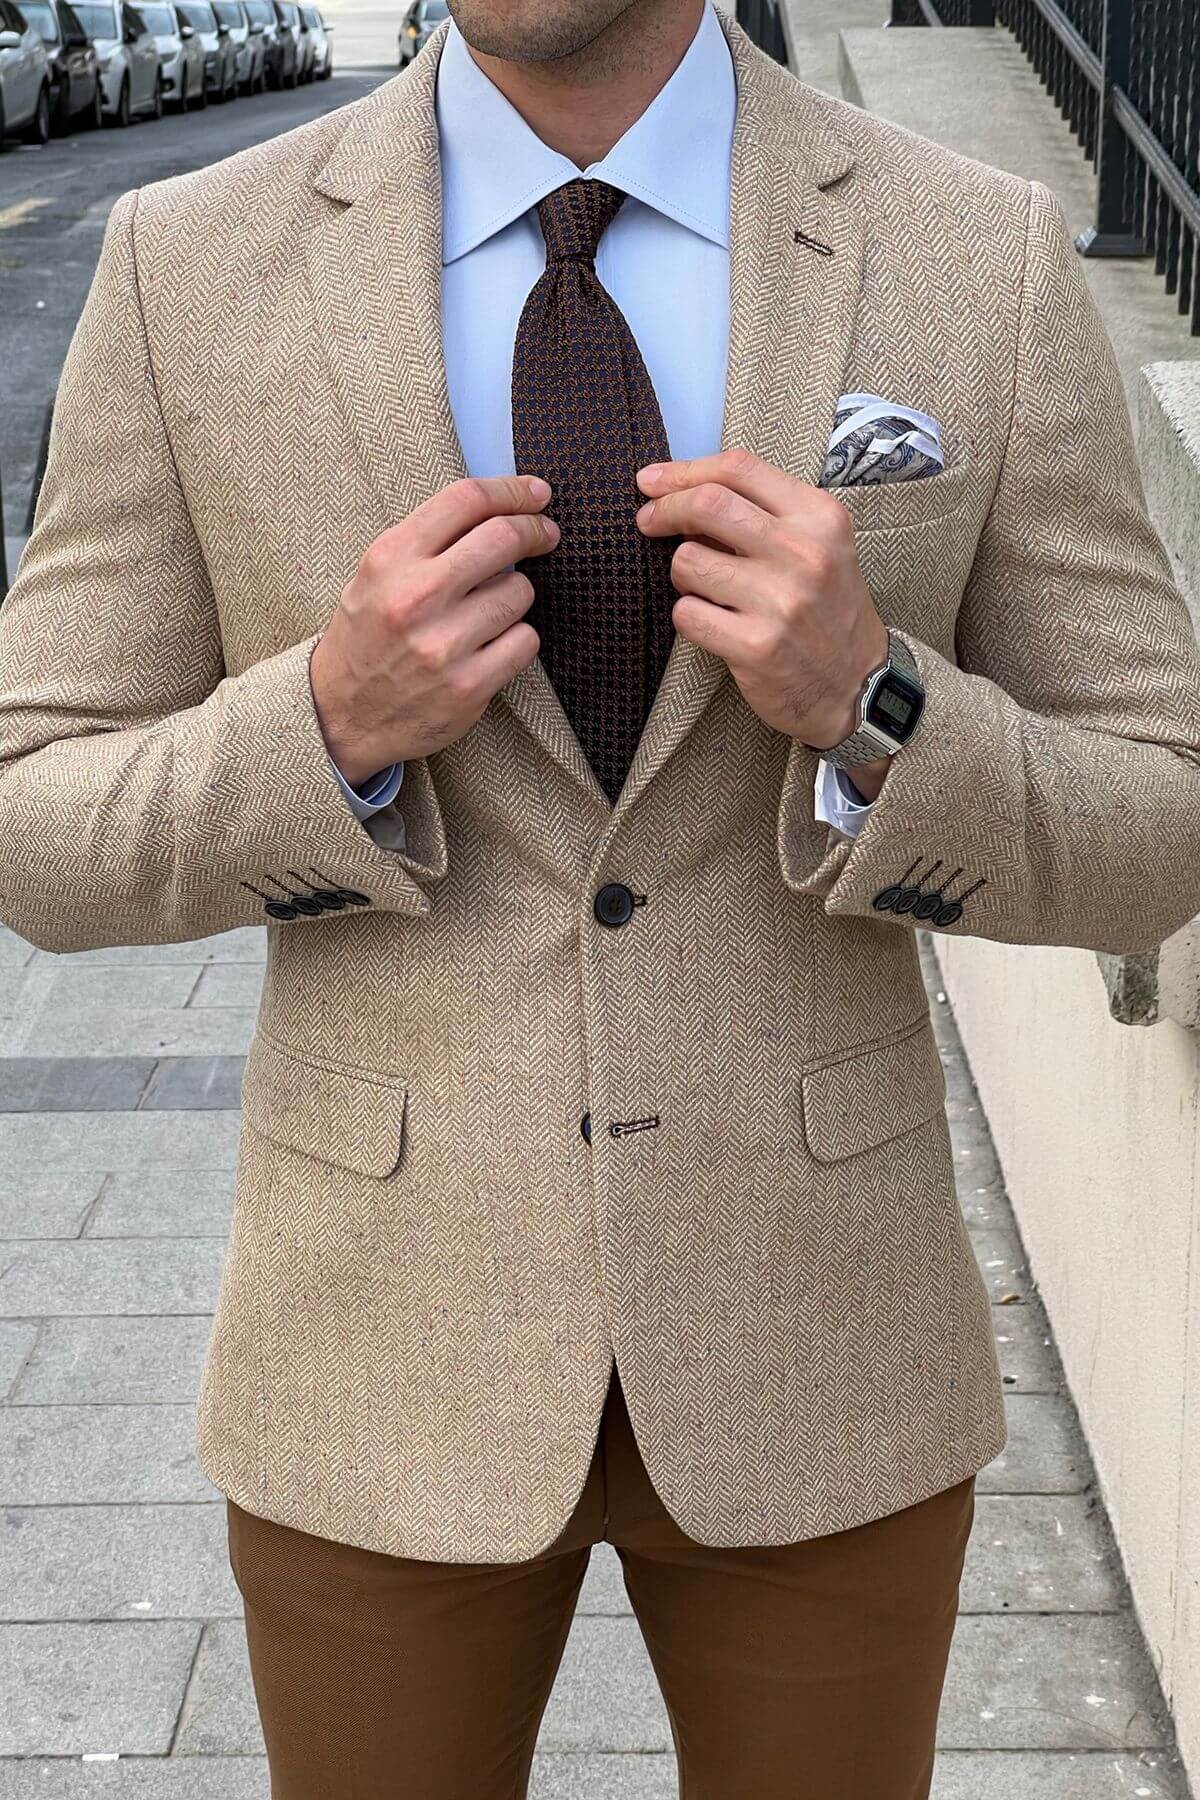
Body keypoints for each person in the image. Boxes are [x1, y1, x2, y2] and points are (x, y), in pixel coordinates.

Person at [3, 0, 1200, 1793]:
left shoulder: (976, 247)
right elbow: (35, 817)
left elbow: (1160, 811)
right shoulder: (195, 264)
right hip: (377, 1356)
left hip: (821, 1342)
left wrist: (882, 709)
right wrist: (323, 730)